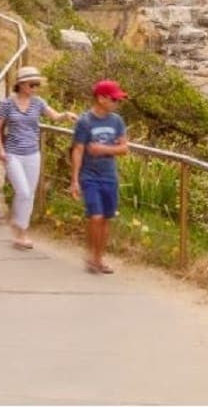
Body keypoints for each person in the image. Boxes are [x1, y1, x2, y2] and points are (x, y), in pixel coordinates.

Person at [0, 66, 77, 249]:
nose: (35, 88)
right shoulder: (8, 103)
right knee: (22, 191)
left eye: (37, 85)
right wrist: (0, 150)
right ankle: (19, 226)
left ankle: (21, 232)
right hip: (13, 153)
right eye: (32, 84)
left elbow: (54, 116)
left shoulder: (38, 102)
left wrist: (66, 115)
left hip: (32, 153)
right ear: (21, 84)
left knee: (29, 194)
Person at [70, 80, 130, 275]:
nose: (116, 103)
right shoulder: (84, 121)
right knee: (95, 217)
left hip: (109, 175)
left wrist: (103, 149)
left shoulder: (117, 121)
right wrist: (75, 179)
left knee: (106, 218)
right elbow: (78, 150)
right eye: (114, 99)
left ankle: (98, 257)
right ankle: (93, 256)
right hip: (90, 175)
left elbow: (124, 148)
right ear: (101, 98)